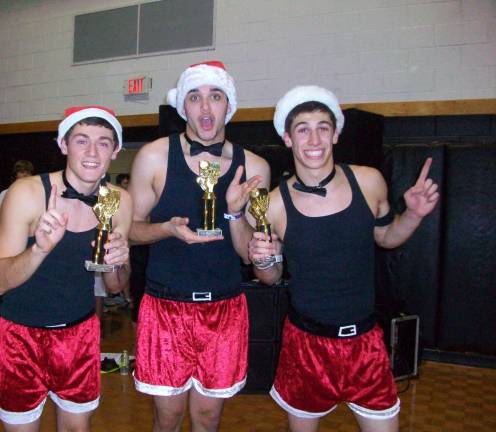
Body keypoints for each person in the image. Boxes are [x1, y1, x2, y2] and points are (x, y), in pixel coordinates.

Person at [248, 85, 440, 432]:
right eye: (302, 129)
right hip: (305, 344)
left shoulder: (369, 181)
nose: (314, 138)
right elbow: (272, 278)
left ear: (335, 134)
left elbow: (385, 237)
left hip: (365, 342)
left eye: (323, 127)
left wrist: (412, 215)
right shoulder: (273, 204)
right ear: (288, 139)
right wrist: (262, 260)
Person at [129, 61, 270, 432]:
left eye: (215, 97)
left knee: (208, 419)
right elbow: (129, 230)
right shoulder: (154, 156)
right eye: (195, 97)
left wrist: (235, 215)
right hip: (165, 307)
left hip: (224, 308)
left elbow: (247, 252)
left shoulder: (254, 166)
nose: (206, 108)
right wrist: (165, 230)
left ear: (230, 105)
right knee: (168, 417)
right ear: (183, 106)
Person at [0, 105, 132, 430]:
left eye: (104, 142)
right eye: (81, 140)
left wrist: (115, 263)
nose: (93, 152)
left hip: (79, 336)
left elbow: (114, 286)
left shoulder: (118, 200)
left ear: (116, 151)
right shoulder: (27, 194)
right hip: (21, 337)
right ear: (63, 145)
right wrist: (39, 248)